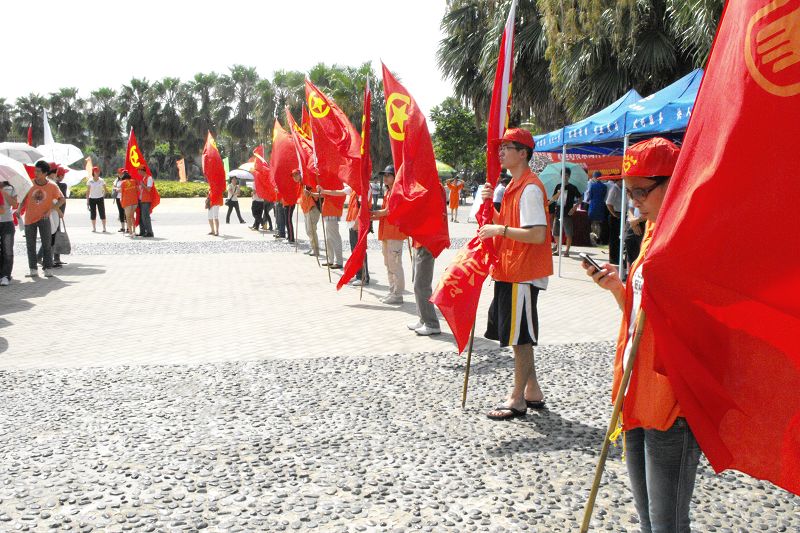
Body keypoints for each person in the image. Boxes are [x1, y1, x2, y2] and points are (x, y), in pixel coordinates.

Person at [582, 137, 700, 533]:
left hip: (672, 399)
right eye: (629, 190)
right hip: (636, 387)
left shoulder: (691, 234)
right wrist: (618, 287)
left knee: (667, 523)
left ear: (674, 181)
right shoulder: (651, 229)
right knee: (648, 518)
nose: (632, 200)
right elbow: (640, 316)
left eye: (641, 191)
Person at [477, 128, 553, 420]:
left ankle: (517, 399)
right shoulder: (512, 186)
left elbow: (536, 235)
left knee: (521, 338)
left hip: (522, 272)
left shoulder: (530, 188)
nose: (501, 152)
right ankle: (532, 391)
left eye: (508, 147)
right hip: (510, 269)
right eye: (501, 147)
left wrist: (500, 229)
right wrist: (490, 209)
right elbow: (506, 224)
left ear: (523, 153)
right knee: (517, 334)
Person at [22, 160, 64, 278]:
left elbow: (62, 199)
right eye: (35, 170)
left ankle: (48, 268)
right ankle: (33, 269)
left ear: (45, 173)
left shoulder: (52, 186)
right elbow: (23, 198)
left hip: (44, 219)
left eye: (38, 171)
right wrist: (19, 208)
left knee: (46, 244)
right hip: (30, 218)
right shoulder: (29, 184)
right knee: (30, 245)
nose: (36, 173)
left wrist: (52, 209)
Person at [371, 164, 405, 304]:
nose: (385, 177)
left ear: (394, 177)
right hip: (386, 232)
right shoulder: (387, 192)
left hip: (395, 233)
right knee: (388, 263)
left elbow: (387, 211)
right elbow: (384, 212)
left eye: (388, 175)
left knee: (395, 264)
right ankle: (392, 291)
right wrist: (372, 216)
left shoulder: (397, 192)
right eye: (384, 175)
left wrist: (373, 214)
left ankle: (398, 294)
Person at [549, 167, 581, 257]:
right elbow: (554, 198)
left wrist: (575, 207)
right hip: (558, 211)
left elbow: (580, 197)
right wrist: (557, 195)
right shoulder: (558, 186)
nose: (565, 177)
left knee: (568, 233)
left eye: (566, 175)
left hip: (567, 212)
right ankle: (559, 249)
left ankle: (567, 250)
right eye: (563, 175)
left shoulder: (572, 187)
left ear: (569, 176)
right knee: (555, 232)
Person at [344, 185, 369, 285]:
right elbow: (340, 192)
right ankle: (358, 273)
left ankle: (363, 276)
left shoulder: (364, 188)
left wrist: (357, 223)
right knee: (354, 250)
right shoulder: (354, 187)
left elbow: (364, 206)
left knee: (360, 250)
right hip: (353, 224)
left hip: (358, 225)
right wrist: (323, 191)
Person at [316, 184, 346, 269]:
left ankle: (339, 261)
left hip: (332, 210)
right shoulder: (329, 181)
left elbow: (336, 194)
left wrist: (323, 190)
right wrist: (314, 193)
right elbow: (323, 194)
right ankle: (331, 260)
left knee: (334, 237)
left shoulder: (336, 182)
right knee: (329, 238)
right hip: (328, 211)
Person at [0, 179, 19, 286]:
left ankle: (6, 275)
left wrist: (2, 192)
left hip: (7, 221)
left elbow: (15, 204)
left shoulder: (11, 188)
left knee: (7, 250)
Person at [586, 171, 608, 246]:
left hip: (593, 204)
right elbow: (604, 196)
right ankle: (598, 238)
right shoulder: (604, 186)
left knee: (593, 223)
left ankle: (593, 239)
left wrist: (587, 199)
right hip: (601, 205)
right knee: (599, 223)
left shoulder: (592, 185)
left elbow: (590, 196)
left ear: (595, 177)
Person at [299, 185, 321, 256]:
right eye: (293, 175)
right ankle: (313, 248)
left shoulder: (308, 182)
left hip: (312, 208)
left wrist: (309, 192)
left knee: (311, 230)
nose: (295, 177)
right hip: (306, 209)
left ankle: (315, 250)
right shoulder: (300, 185)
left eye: (296, 174)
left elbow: (317, 196)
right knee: (309, 231)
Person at [606, 179, 623, 265]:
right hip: (615, 214)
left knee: (619, 238)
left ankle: (618, 257)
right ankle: (613, 258)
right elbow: (608, 203)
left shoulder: (622, 189)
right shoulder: (614, 189)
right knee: (614, 238)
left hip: (621, 213)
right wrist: (614, 214)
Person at [86, 166, 108, 233]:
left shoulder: (101, 180)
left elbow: (105, 189)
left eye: (98, 171)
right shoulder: (90, 181)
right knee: (93, 213)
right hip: (92, 198)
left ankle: (104, 227)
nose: (97, 173)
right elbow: (88, 191)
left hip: (100, 198)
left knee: (102, 212)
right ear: (93, 172)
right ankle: (94, 228)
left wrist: (103, 196)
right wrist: (87, 201)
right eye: (96, 171)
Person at [119, 171, 139, 237]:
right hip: (134, 201)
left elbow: (121, 192)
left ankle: (130, 232)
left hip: (127, 202)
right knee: (132, 216)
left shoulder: (123, 183)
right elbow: (137, 190)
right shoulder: (134, 181)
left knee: (128, 217)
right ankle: (134, 231)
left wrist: (116, 190)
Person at [138, 165, 155, 237]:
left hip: (146, 200)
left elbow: (148, 189)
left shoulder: (149, 178)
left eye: (139, 170)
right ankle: (144, 231)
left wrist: (142, 185)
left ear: (142, 170)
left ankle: (149, 232)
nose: (138, 172)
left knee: (146, 216)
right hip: (142, 199)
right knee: (142, 217)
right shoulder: (144, 178)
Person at [112, 168, 127, 233]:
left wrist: (118, 189)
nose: (121, 175)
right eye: (119, 173)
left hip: (126, 198)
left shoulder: (127, 180)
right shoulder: (116, 180)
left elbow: (125, 189)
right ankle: (123, 227)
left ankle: (128, 228)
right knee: (121, 212)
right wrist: (117, 189)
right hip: (118, 198)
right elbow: (114, 187)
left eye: (122, 173)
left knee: (127, 213)